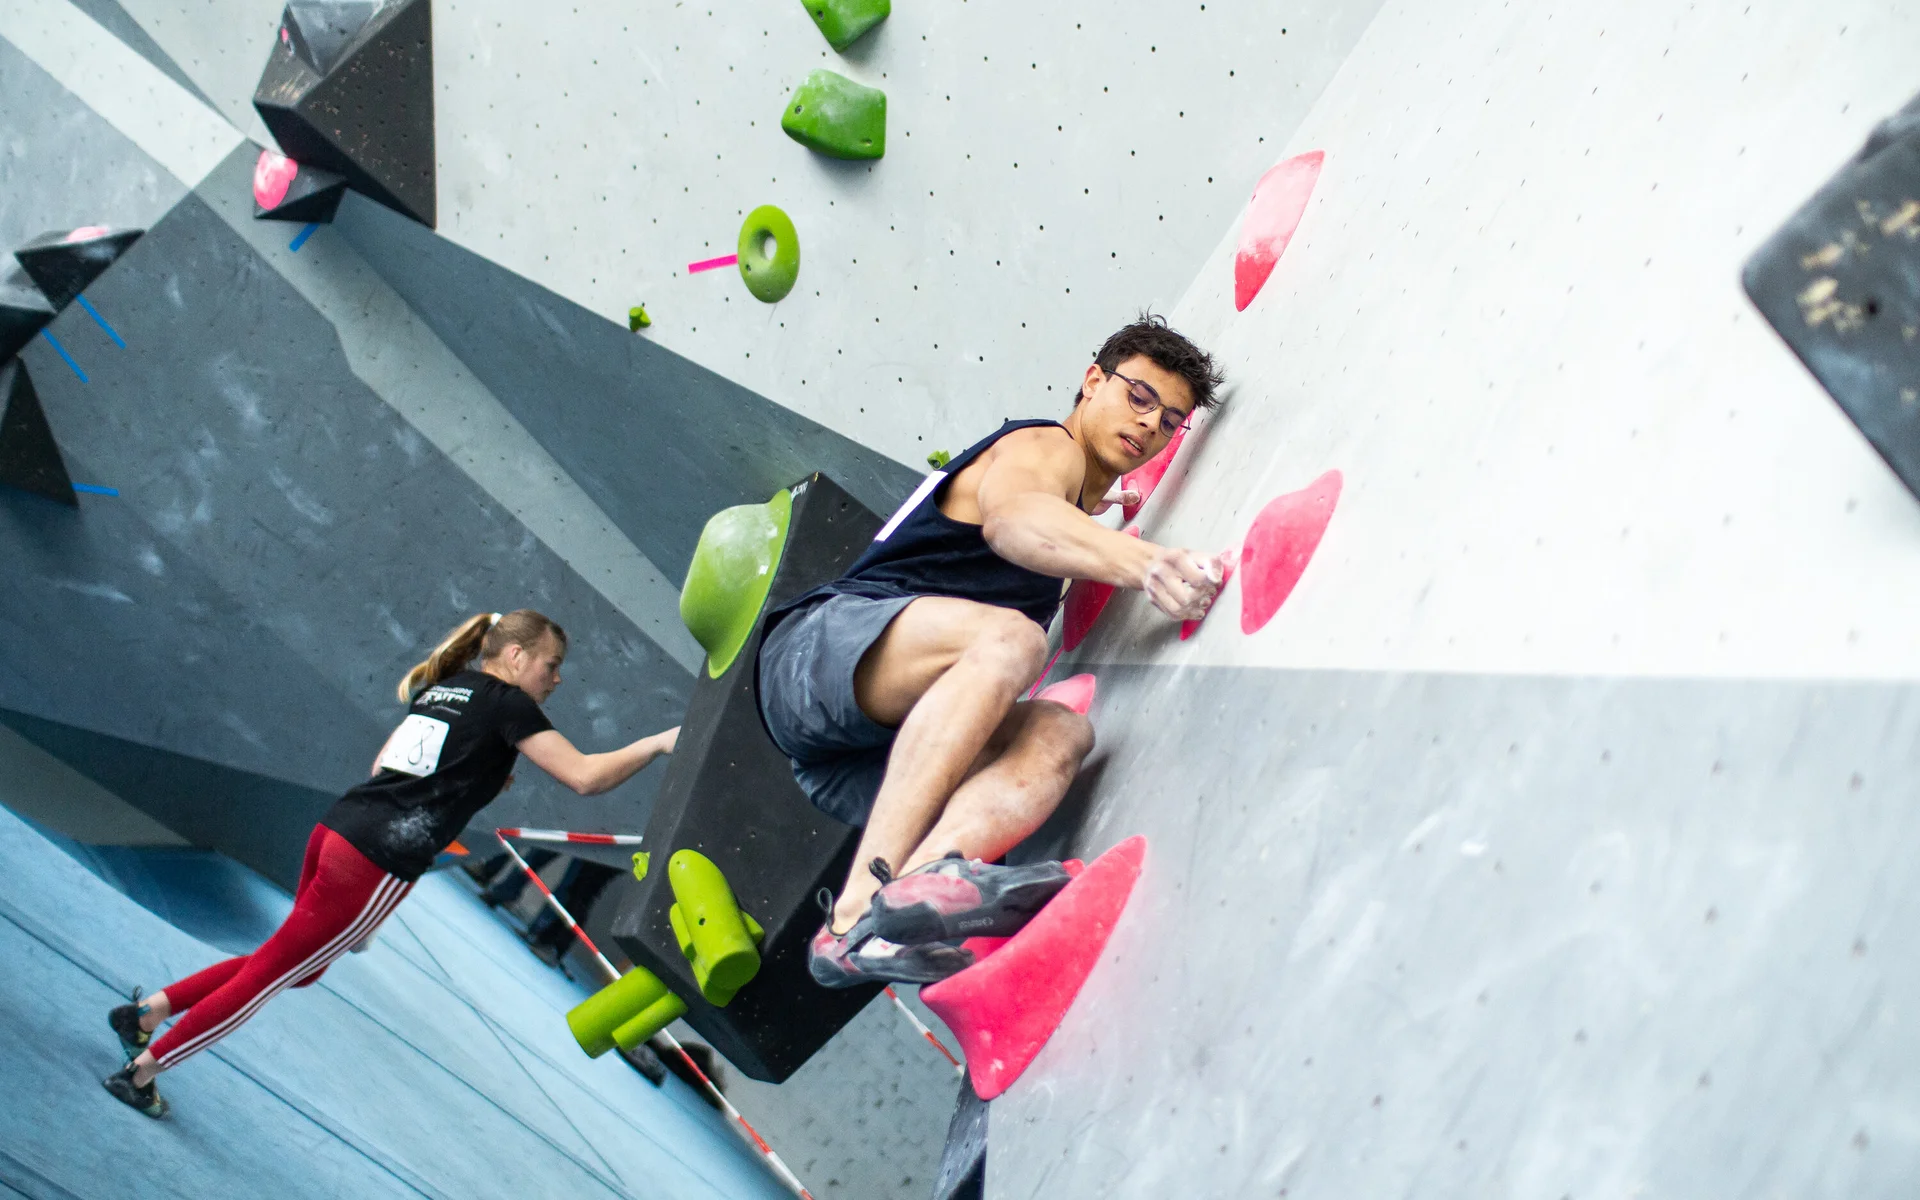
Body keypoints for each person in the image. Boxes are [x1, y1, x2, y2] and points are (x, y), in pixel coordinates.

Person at [755, 314, 1226, 987]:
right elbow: (1014, 519)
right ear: (1092, 382)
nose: (1151, 425)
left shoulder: (1078, 497)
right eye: (1139, 397)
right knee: (1010, 639)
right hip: (817, 655)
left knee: (1059, 733)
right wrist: (1145, 562)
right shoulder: (1044, 447)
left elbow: (1054, 521)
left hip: (860, 757)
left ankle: (896, 905)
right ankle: (856, 906)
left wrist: (1107, 513)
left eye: (1170, 420)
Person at [101, 609, 680, 1117]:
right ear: (516, 654)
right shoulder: (510, 706)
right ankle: (144, 1072)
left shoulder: (449, 687)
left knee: (288, 964)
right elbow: (584, 776)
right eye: (552, 665)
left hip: (338, 829)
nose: (556, 679)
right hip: (374, 859)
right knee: (270, 976)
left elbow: (385, 766)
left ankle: (146, 1016)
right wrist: (657, 743)